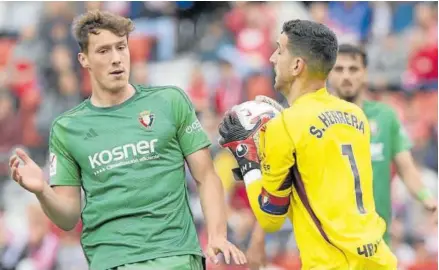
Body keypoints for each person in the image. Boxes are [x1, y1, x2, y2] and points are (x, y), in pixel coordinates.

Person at [9, 10, 246, 270]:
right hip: (112, 261)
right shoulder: (67, 128)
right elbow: (67, 217)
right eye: (103, 51)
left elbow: (207, 176)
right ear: (84, 59)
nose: (116, 59)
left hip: (175, 256)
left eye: (121, 47)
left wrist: (217, 234)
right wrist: (42, 191)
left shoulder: (170, 101)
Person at [218, 19, 397, 269]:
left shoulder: (285, 126)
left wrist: (247, 160)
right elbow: (313, 194)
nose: (271, 58)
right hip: (380, 259)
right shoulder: (355, 114)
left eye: (279, 50)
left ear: (297, 65)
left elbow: (270, 218)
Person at [328, 44, 438, 243]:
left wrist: (428, 200)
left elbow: (406, 168)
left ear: (365, 73)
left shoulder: (386, 117)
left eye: (353, 69)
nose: (346, 76)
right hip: (331, 241)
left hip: (377, 241)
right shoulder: (317, 118)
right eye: (339, 69)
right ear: (329, 74)